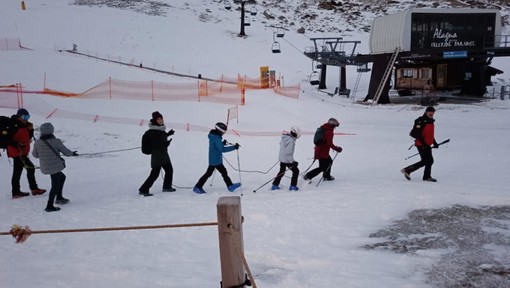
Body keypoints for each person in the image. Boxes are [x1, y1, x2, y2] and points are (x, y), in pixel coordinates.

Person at [32, 122, 78, 212]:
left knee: (62, 177)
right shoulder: (56, 141)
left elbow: (35, 155)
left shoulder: (37, 142)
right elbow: (66, 152)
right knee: (55, 185)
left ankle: (59, 197)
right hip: (55, 167)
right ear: (51, 131)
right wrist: (73, 153)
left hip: (45, 167)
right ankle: (49, 205)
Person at [7, 108, 46, 199]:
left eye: (27, 116)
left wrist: (30, 129)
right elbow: (7, 140)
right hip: (17, 152)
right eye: (24, 116)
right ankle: (19, 191)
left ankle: (29, 189)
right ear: (19, 116)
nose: (26, 118)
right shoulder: (13, 125)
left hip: (22, 152)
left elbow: (28, 138)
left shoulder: (24, 125)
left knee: (28, 169)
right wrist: (18, 144)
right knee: (21, 171)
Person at [192, 122, 241, 194]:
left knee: (223, 172)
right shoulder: (216, 139)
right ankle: (197, 187)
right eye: (223, 132)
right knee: (208, 174)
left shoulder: (214, 136)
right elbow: (222, 149)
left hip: (216, 159)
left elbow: (217, 146)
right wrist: (234, 147)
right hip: (215, 160)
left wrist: (222, 143)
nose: (223, 134)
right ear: (219, 131)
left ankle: (230, 186)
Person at [139, 111, 175, 197]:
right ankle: (143, 189)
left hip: (163, 154)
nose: (160, 120)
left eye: (161, 118)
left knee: (169, 170)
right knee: (155, 173)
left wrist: (167, 134)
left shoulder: (159, 129)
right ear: (155, 121)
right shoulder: (153, 131)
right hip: (157, 155)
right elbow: (156, 143)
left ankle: (167, 186)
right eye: (158, 119)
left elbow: (160, 137)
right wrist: (166, 144)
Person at [401, 106, 439, 182]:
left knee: (429, 161)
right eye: (430, 112)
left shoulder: (430, 121)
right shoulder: (421, 121)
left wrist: (434, 143)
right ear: (426, 112)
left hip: (426, 144)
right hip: (421, 144)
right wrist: (424, 144)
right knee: (426, 161)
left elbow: (429, 134)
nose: (431, 113)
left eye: (433, 112)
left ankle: (426, 176)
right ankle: (408, 170)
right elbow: (418, 134)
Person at [271, 126, 301, 191]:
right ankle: (293, 186)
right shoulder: (291, 141)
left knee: (282, 171)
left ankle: (275, 185)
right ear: (295, 133)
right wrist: (292, 162)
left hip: (282, 159)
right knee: (296, 171)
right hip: (287, 160)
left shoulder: (285, 138)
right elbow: (288, 153)